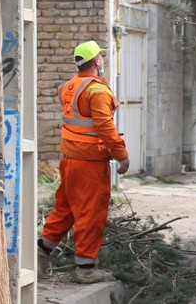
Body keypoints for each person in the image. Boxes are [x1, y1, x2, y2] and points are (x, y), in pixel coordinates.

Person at [37, 40, 129, 283]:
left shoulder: (67, 87)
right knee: (90, 213)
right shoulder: (97, 91)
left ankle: (40, 253)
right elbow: (105, 127)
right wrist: (121, 154)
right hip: (90, 164)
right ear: (97, 61)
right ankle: (86, 269)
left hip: (70, 161)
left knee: (65, 210)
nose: (103, 60)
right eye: (101, 57)